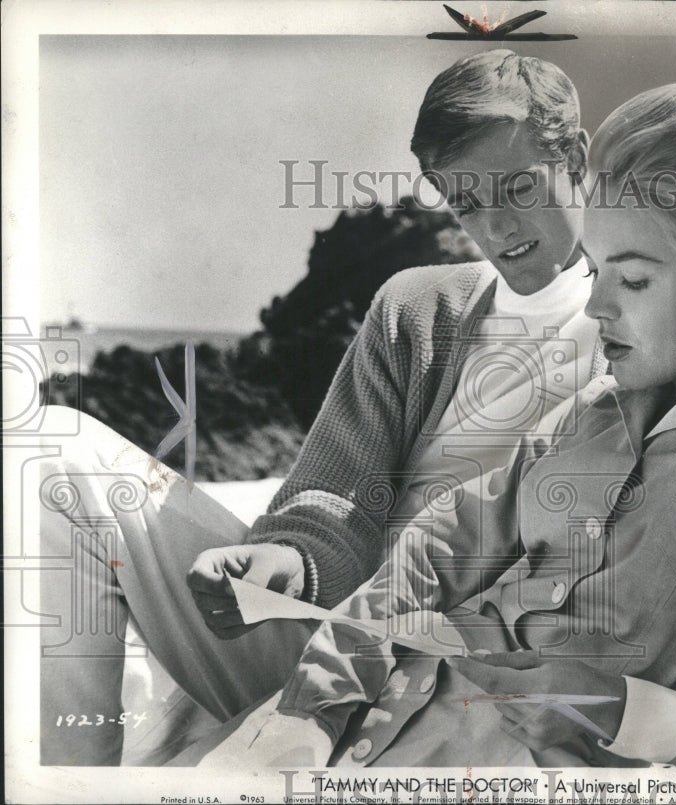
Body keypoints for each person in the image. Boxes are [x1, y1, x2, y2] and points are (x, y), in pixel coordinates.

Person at [183, 81, 676, 769]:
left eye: (635, 278)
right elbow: (440, 543)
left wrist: (625, 711)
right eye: (597, 272)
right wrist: (312, 707)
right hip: (351, 739)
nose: (596, 309)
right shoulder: (600, 407)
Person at [37, 49, 603, 765]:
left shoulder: (650, 322)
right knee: (54, 453)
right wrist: (288, 561)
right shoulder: (417, 306)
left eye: (519, 187)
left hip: (471, 684)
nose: (497, 229)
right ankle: (61, 779)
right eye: (467, 206)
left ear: (576, 156)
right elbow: (336, 497)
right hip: (321, 631)